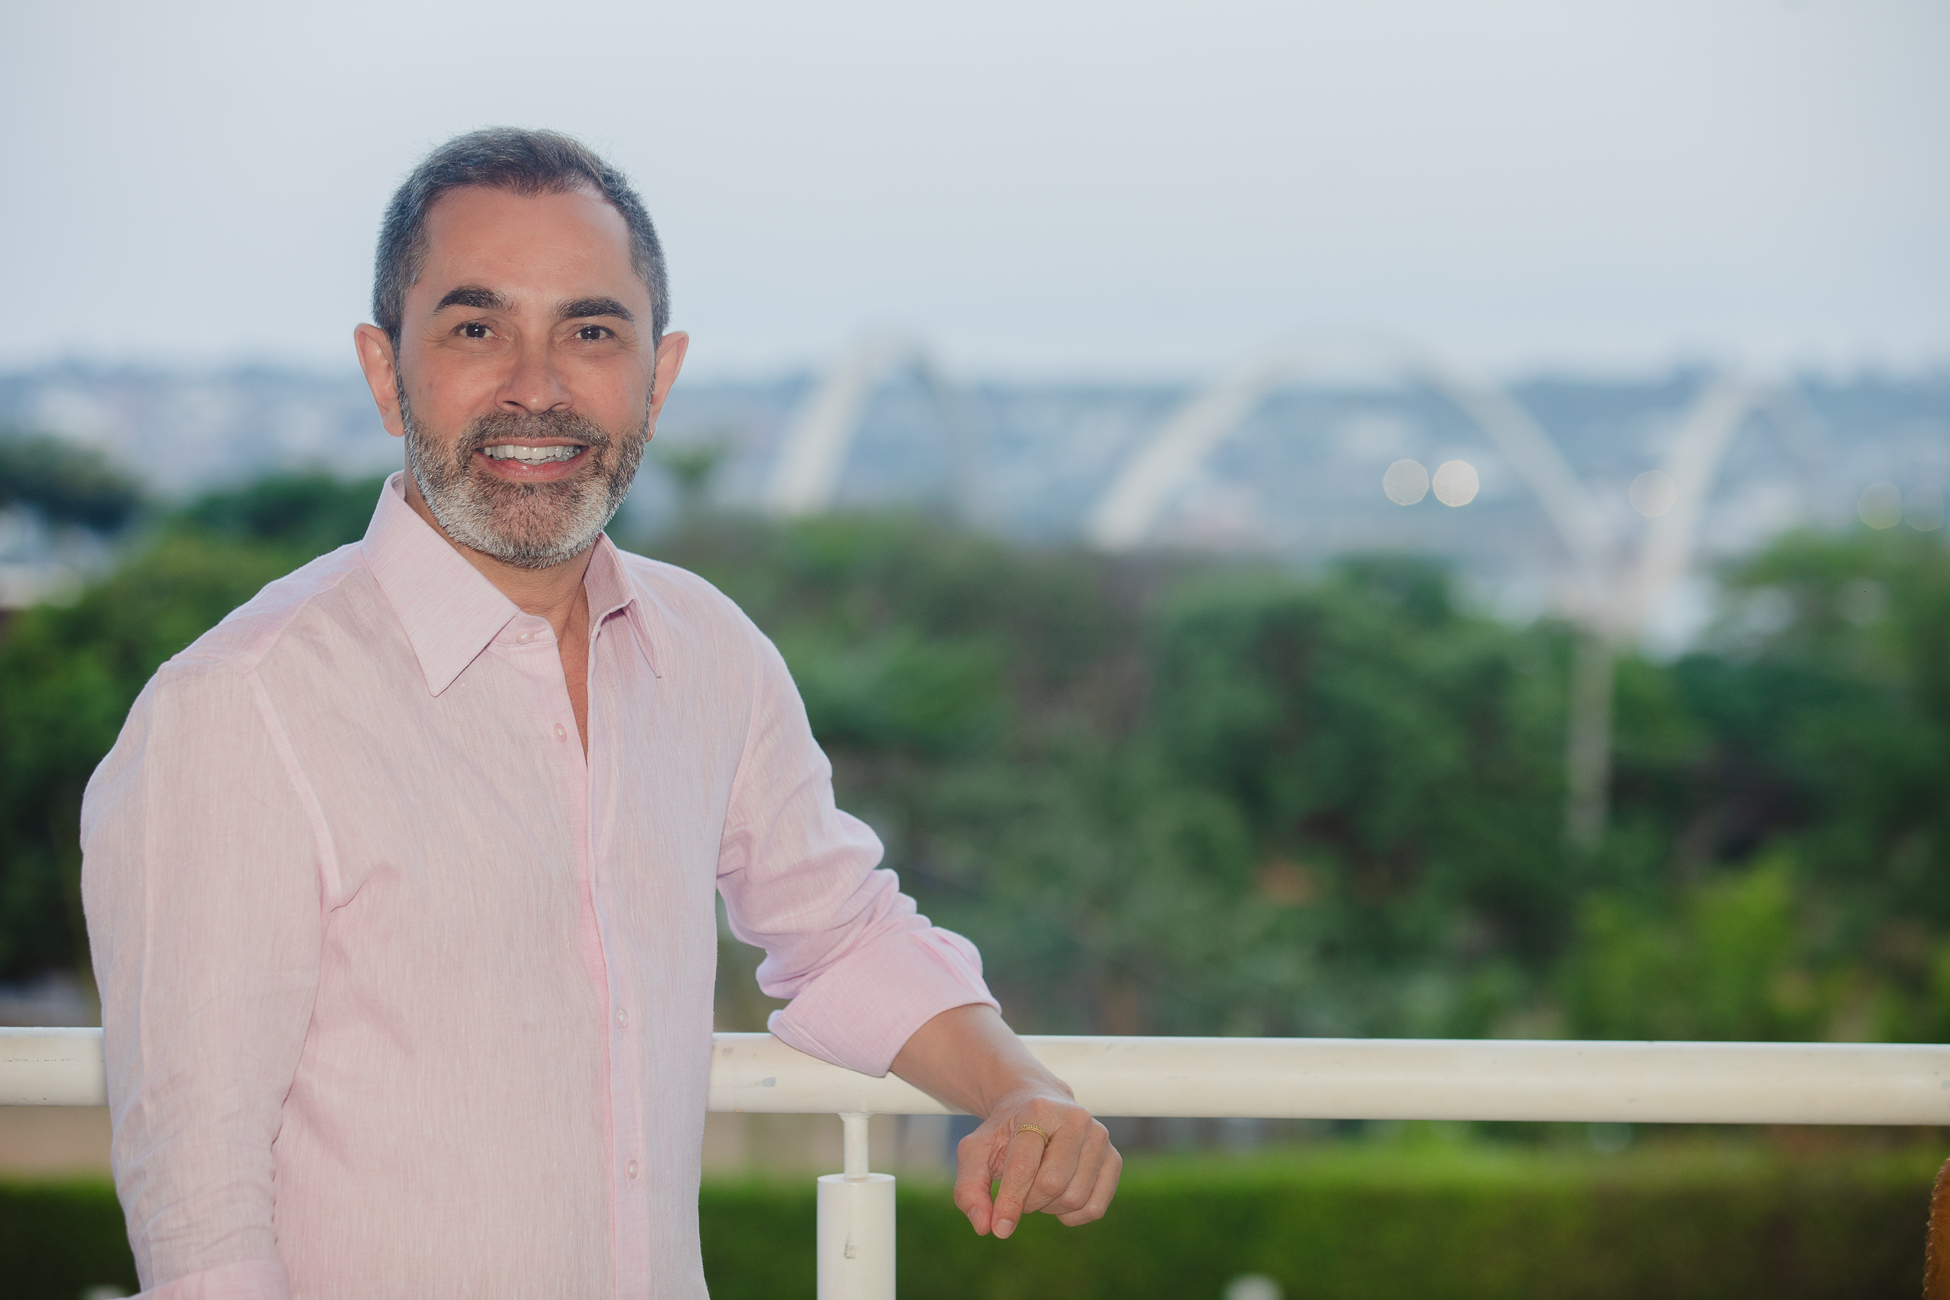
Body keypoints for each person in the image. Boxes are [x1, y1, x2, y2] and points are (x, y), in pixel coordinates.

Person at [80, 127, 1120, 1299]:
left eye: (589, 332)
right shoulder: (238, 708)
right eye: (477, 330)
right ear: (384, 371)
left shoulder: (709, 653)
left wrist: (1018, 1087)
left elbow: (839, 929)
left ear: (657, 379)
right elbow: (202, 1216)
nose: (537, 386)